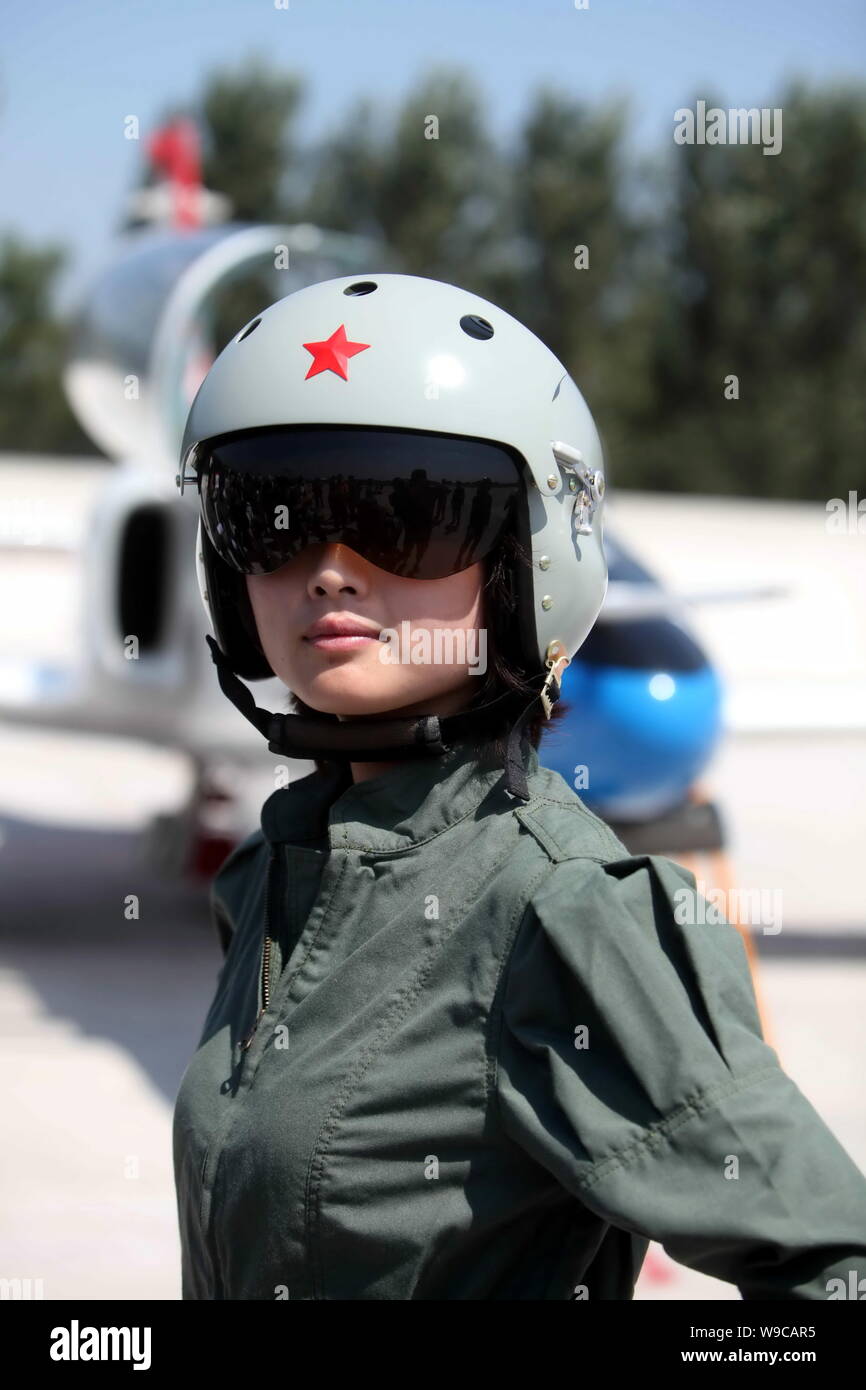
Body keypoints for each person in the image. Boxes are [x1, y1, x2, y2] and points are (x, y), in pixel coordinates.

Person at [171, 272, 866, 1300]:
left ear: (522, 561)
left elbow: (828, 1264)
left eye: (405, 516)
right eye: (272, 518)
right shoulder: (271, 877)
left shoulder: (562, 911)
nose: (327, 569)